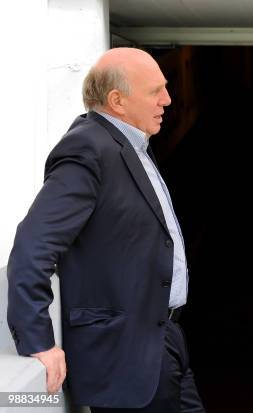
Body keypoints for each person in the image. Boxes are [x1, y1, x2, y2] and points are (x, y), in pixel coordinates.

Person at [6, 47, 205, 412]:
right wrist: (39, 342)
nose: (168, 99)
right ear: (117, 100)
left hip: (164, 340)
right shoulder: (88, 148)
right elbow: (33, 246)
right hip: (125, 359)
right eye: (155, 91)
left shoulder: (132, 145)